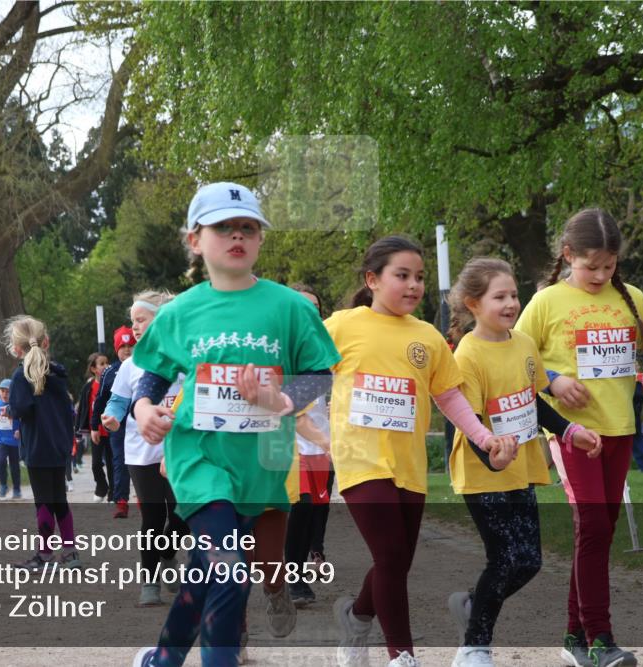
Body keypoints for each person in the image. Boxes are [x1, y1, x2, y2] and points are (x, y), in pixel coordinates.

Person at [129, 182, 340, 667]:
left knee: (207, 571)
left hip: (260, 465)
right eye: (223, 227)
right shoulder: (179, 311)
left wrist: (280, 398)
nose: (237, 235)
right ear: (195, 240)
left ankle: (162, 658)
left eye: (248, 227)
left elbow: (319, 375)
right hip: (199, 459)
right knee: (229, 570)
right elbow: (153, 374)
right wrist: (143, 410)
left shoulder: (290, 307)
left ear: (260, 239)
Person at [324, 236, 517, 667]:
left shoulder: (427, 337)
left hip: (408, 467)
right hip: (360, 461)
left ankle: (356, 618)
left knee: (396, 560)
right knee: (391, 555)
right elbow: (305, 374)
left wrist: (484, 439)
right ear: (372, 279)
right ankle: (401, 656)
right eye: (402, 276)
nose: (413, 285)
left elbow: (449, 398)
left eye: (420, 277)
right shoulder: (341, 325)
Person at [515, 208, 643, 667]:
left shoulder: (632, 298)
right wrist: (551, 380)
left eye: (608, 266)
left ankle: (574, 635)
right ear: (568, 255)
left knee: (600, 531)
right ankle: (600, 640)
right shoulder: (546, 302)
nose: (600, 275)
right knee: (591, 525)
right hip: (572, 434)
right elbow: (510, 362)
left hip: (619, 432)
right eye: (591, 266)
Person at [443, 258, 602, 667]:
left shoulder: (525, 344)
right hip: (483, 473)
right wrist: (492, 456)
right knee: (504, 559)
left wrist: (570, 431)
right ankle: (474, 647)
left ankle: (473, 604)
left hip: (522, 469)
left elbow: (533, 402)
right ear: (472, 304)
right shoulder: (468, 354)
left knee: (529, 561)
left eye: (514, 294)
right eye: (500, 296)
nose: (511, 303)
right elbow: (469, 421)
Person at [103, 292, 188, 606]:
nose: (134, 327)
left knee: (184, 515)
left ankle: (167, 552)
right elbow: (119, 399)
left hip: (181, 447)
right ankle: (150, 582)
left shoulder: (186, 356)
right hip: (142, 450)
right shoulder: (131, 363)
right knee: (152, 516)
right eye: (133, 320)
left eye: (141, 319)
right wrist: (112, 416)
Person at [5, 315, 82, 570]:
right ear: (45, 342)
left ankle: (44, 554)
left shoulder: (20, 377)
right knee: (59, 498)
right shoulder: (57, 373)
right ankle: (70, 551)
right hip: (59, 444)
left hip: (38, 447)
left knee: (44, 501)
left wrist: (11, 409)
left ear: (17, 349)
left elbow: (21, 409)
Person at [283, 284, 333, 607]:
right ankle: (294, 578)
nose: (309, 311)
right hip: (288, 442)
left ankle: (302, 562)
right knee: (299, 509)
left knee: (316, 509)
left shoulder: (328, 345)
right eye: (302, 305)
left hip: (322, 443)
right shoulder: (279, 345)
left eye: (314, 306)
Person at [92, 326, 136, 518]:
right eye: (123, 346)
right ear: (116, 348)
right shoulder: (110, 372)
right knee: (120, 461)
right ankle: (121, 501)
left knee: (145, 463)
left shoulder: (147, 366)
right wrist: (94, 426)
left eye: (130, 345)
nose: (127, 349)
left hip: (141, 424)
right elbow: (101, 400)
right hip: (118, 425)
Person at [77, 352, 113, 502]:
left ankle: (114, 493)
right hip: (96, 431)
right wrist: (85, 428)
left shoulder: (114, 383)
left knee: (112, 464)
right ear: (93, 369)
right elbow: (84, 409)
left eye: (107, 363)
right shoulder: (89, 387)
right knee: (96, 464)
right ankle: (102, 486)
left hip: (112, 430)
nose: (106, 366)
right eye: (102, 364)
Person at [0, 379, 22, 499]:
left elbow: (23, 420)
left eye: (8, 391)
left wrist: (19, 430)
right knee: (0, 461)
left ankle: (16, 488)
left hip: (14, 439)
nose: (5, 394)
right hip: (1, 439)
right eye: (2, 391)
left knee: (14, 465)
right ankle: (3, 485)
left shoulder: (16, 405)